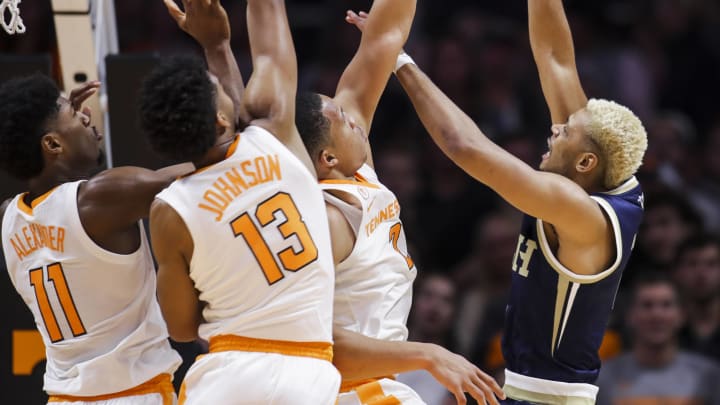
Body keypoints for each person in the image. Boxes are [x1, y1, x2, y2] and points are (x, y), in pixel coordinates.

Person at [347, 0, 648, 401]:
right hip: (527, 389)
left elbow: (464, 146)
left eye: (564, 133)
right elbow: (556, 58)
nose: (553, 131)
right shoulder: (606, 168)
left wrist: (399, 61)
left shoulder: (580, 212)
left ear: (585, 161)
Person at [298, 6, 504, 405]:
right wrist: (428, 354)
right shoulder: (327, 219)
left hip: (378, 380)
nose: (355, 120)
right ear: (327, 158)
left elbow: (383, 36)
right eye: (342, 119)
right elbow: (319, 349)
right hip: (346, 390)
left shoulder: (355, 171)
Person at [138, 0, 340, 403]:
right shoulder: (276, 134)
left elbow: (180, 327)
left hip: (227, 375)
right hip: (306, 373)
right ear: (219, 120)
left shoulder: (169, 210)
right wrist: (217, 42)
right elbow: (269, 33)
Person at [0, 76, 187, 401]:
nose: (87, 115)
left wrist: (60, 115)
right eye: (75, 114)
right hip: (132, 394)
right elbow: (205, 171)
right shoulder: (100, 199)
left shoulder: (8, 216)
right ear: (53, 144)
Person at [596, 273, 720, 405]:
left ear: (682, 315)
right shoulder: (604, 378)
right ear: (630, 315)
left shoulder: (708, 375)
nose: (657, 315)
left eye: (666, 305)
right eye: (647, 305)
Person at [673, 234, 720, 361]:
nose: (701, 273)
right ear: (677, 272)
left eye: (711, 264)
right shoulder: (664, 328)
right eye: (692, 264)